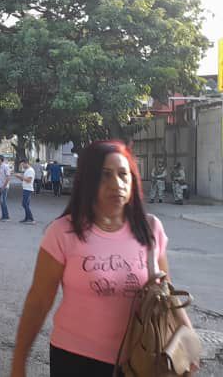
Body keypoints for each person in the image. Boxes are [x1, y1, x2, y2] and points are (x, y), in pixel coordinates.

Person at [11, 141, 193, 377]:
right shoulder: (63, 232)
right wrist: (19, 362)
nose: (116, 184)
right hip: (75, 360)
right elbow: (38, 302)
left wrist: (187, 338)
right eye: (105, 175)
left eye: (122, 174)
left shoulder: (150, 229)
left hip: (141, 358)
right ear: (88, 181)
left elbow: (166, 293)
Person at [15, 159, 36, 224]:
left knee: (24, 204)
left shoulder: (30, 170)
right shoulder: (27, 170)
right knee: (26, 204)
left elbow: (29, 180)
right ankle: (27, 218)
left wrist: (21, 176)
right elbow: (24, 179)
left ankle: (31, 219)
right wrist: (19, 177)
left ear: (26, 163)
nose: (22, 166)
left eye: (22, 164)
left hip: (28, 189)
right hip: (25, 188)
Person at [0, 155, 13, 221]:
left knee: (3, 201)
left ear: (0, 159)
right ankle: (3, 216)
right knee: (1, 202)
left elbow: (8, 177)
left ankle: (6, 217)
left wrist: (4, 186)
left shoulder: (5, 166)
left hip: (4, 187)